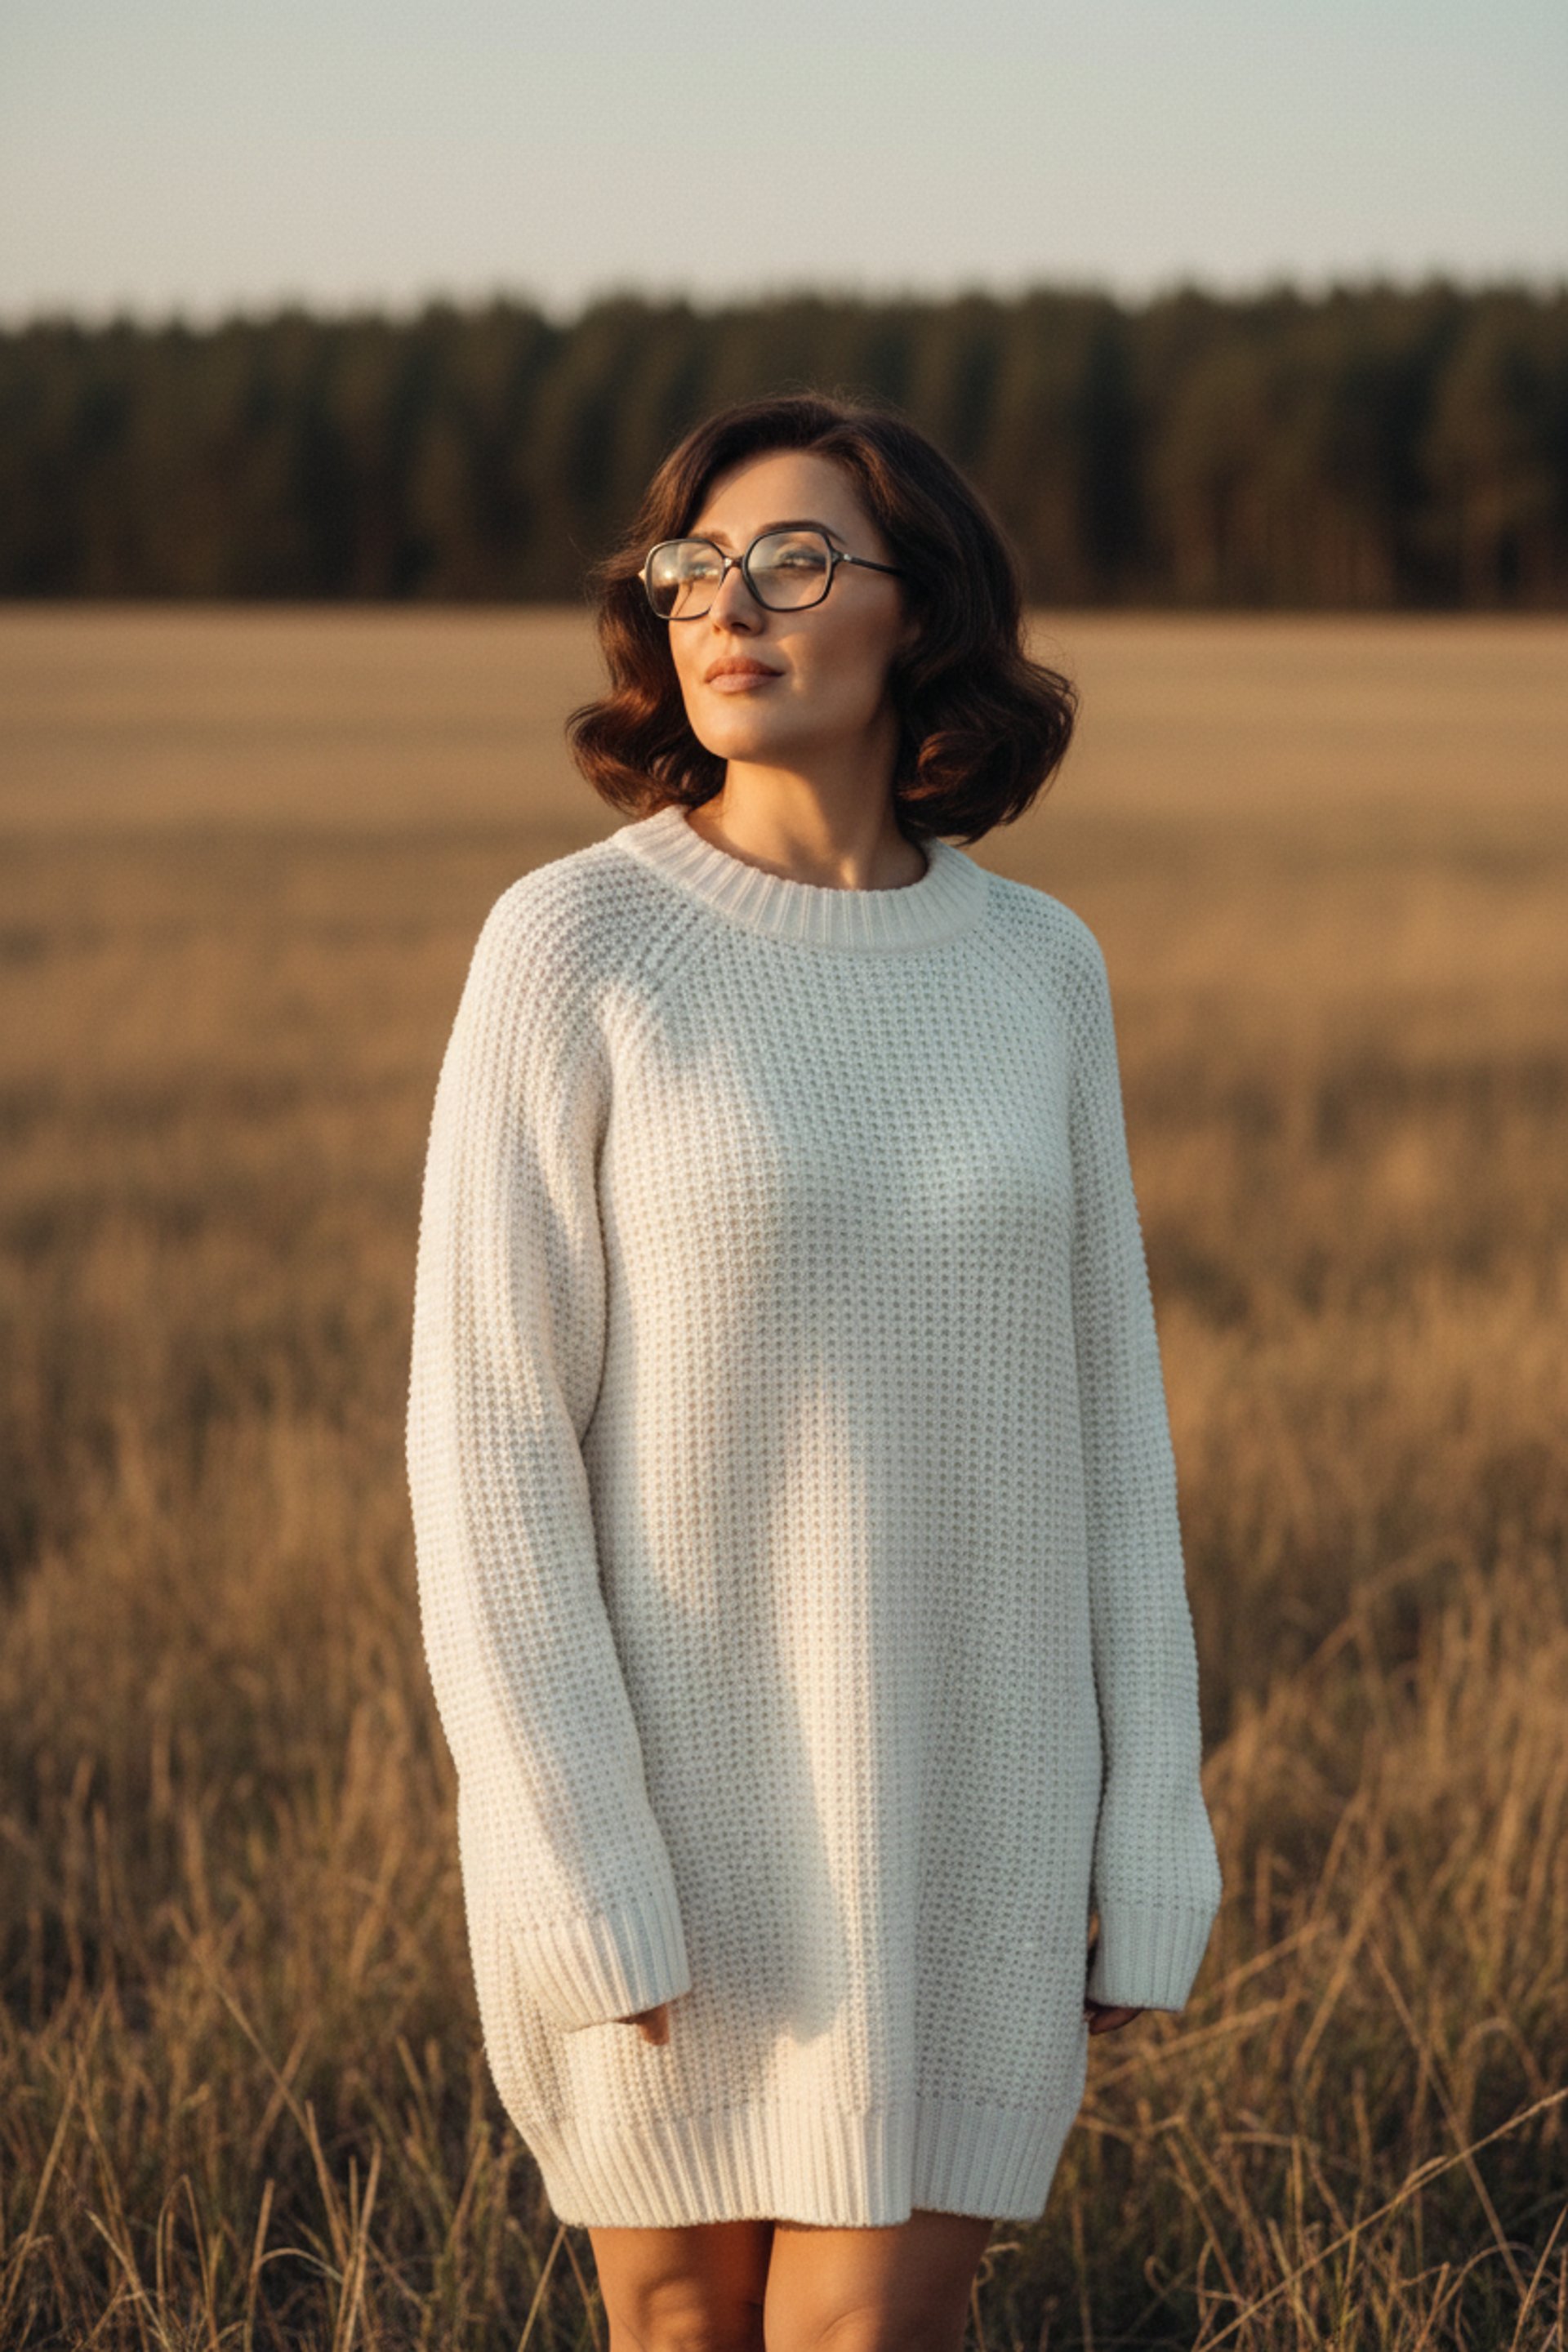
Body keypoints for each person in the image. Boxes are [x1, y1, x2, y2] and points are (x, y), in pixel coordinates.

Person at [405, 390, 1223, 2352]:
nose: (728, 606)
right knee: (683, 2326)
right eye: (691, 571)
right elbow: (488, 1446)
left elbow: (1115, 1429)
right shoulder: (574, 946)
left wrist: (1150, 1837)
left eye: (791, 561)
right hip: (666, 1802)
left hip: (969, 1789)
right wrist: (578, 1859)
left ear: (917, 608)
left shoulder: (1039, 969)